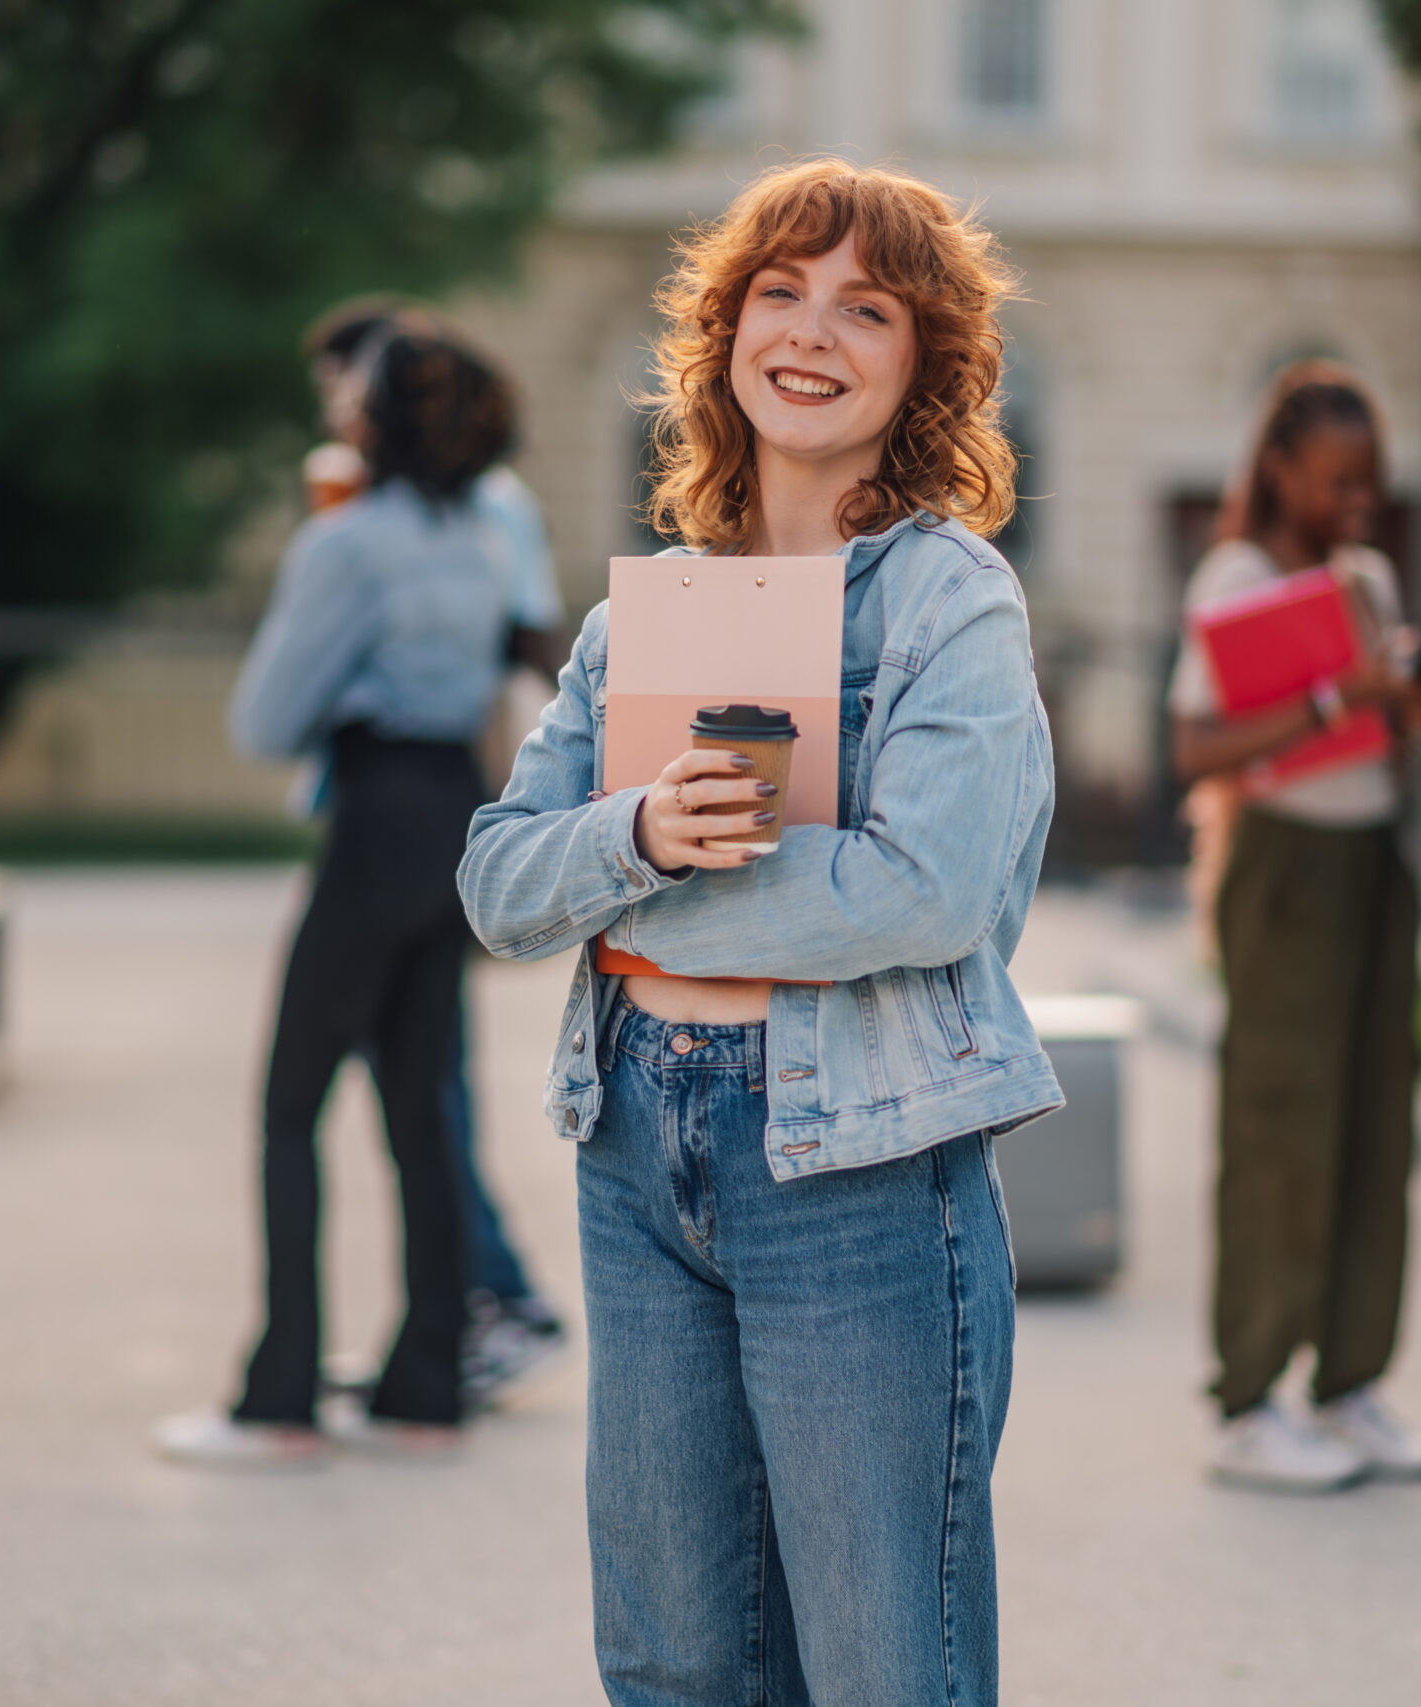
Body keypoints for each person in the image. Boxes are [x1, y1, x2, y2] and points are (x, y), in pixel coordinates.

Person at [461, 158, 1060, 1707]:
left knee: (879, 1667)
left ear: (923, 362)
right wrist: (638, 831)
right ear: (726, 331)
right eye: (779, 292)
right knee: (673, 1655)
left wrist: (645, 902)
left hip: (856, 1171)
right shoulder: (639, 616)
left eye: (867, 307)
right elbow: (500, 883)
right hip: (636, 1144)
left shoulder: (947, 602)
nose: (812, 330)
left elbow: (931, 892)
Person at [154, 330, 520, 1465]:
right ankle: (425, 1387)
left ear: (381, 418)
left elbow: (264, 721)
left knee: (288, 1108)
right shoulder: (487, 534)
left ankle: (281, 1395)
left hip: (373, 817)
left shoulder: (346, 543)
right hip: (458, 813)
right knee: (421, 1116)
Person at [1166, 361, 1421, 1493]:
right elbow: (1196, 749)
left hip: (1372, 862)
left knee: (1374, 1122)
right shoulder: (1239, 573)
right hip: (1284, 867)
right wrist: (1330, 700)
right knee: (1277, 1125)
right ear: (1282, 468)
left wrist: (1410, 703)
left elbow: (1373, 729)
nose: (1357, 499)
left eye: (1372, 481)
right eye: (1337, 479)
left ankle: (1349, 1387)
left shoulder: (1368, 578)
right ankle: (1249, 1403)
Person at [298, 302, 569, 1405]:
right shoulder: (371, 507)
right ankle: (464, 1305)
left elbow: (528, 646)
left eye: (347, 383)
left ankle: (491, 1298)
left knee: (423, 1078)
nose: (336, 408)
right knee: (411, 1072)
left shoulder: (476, 512)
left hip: (438, 805)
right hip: (395, 801)